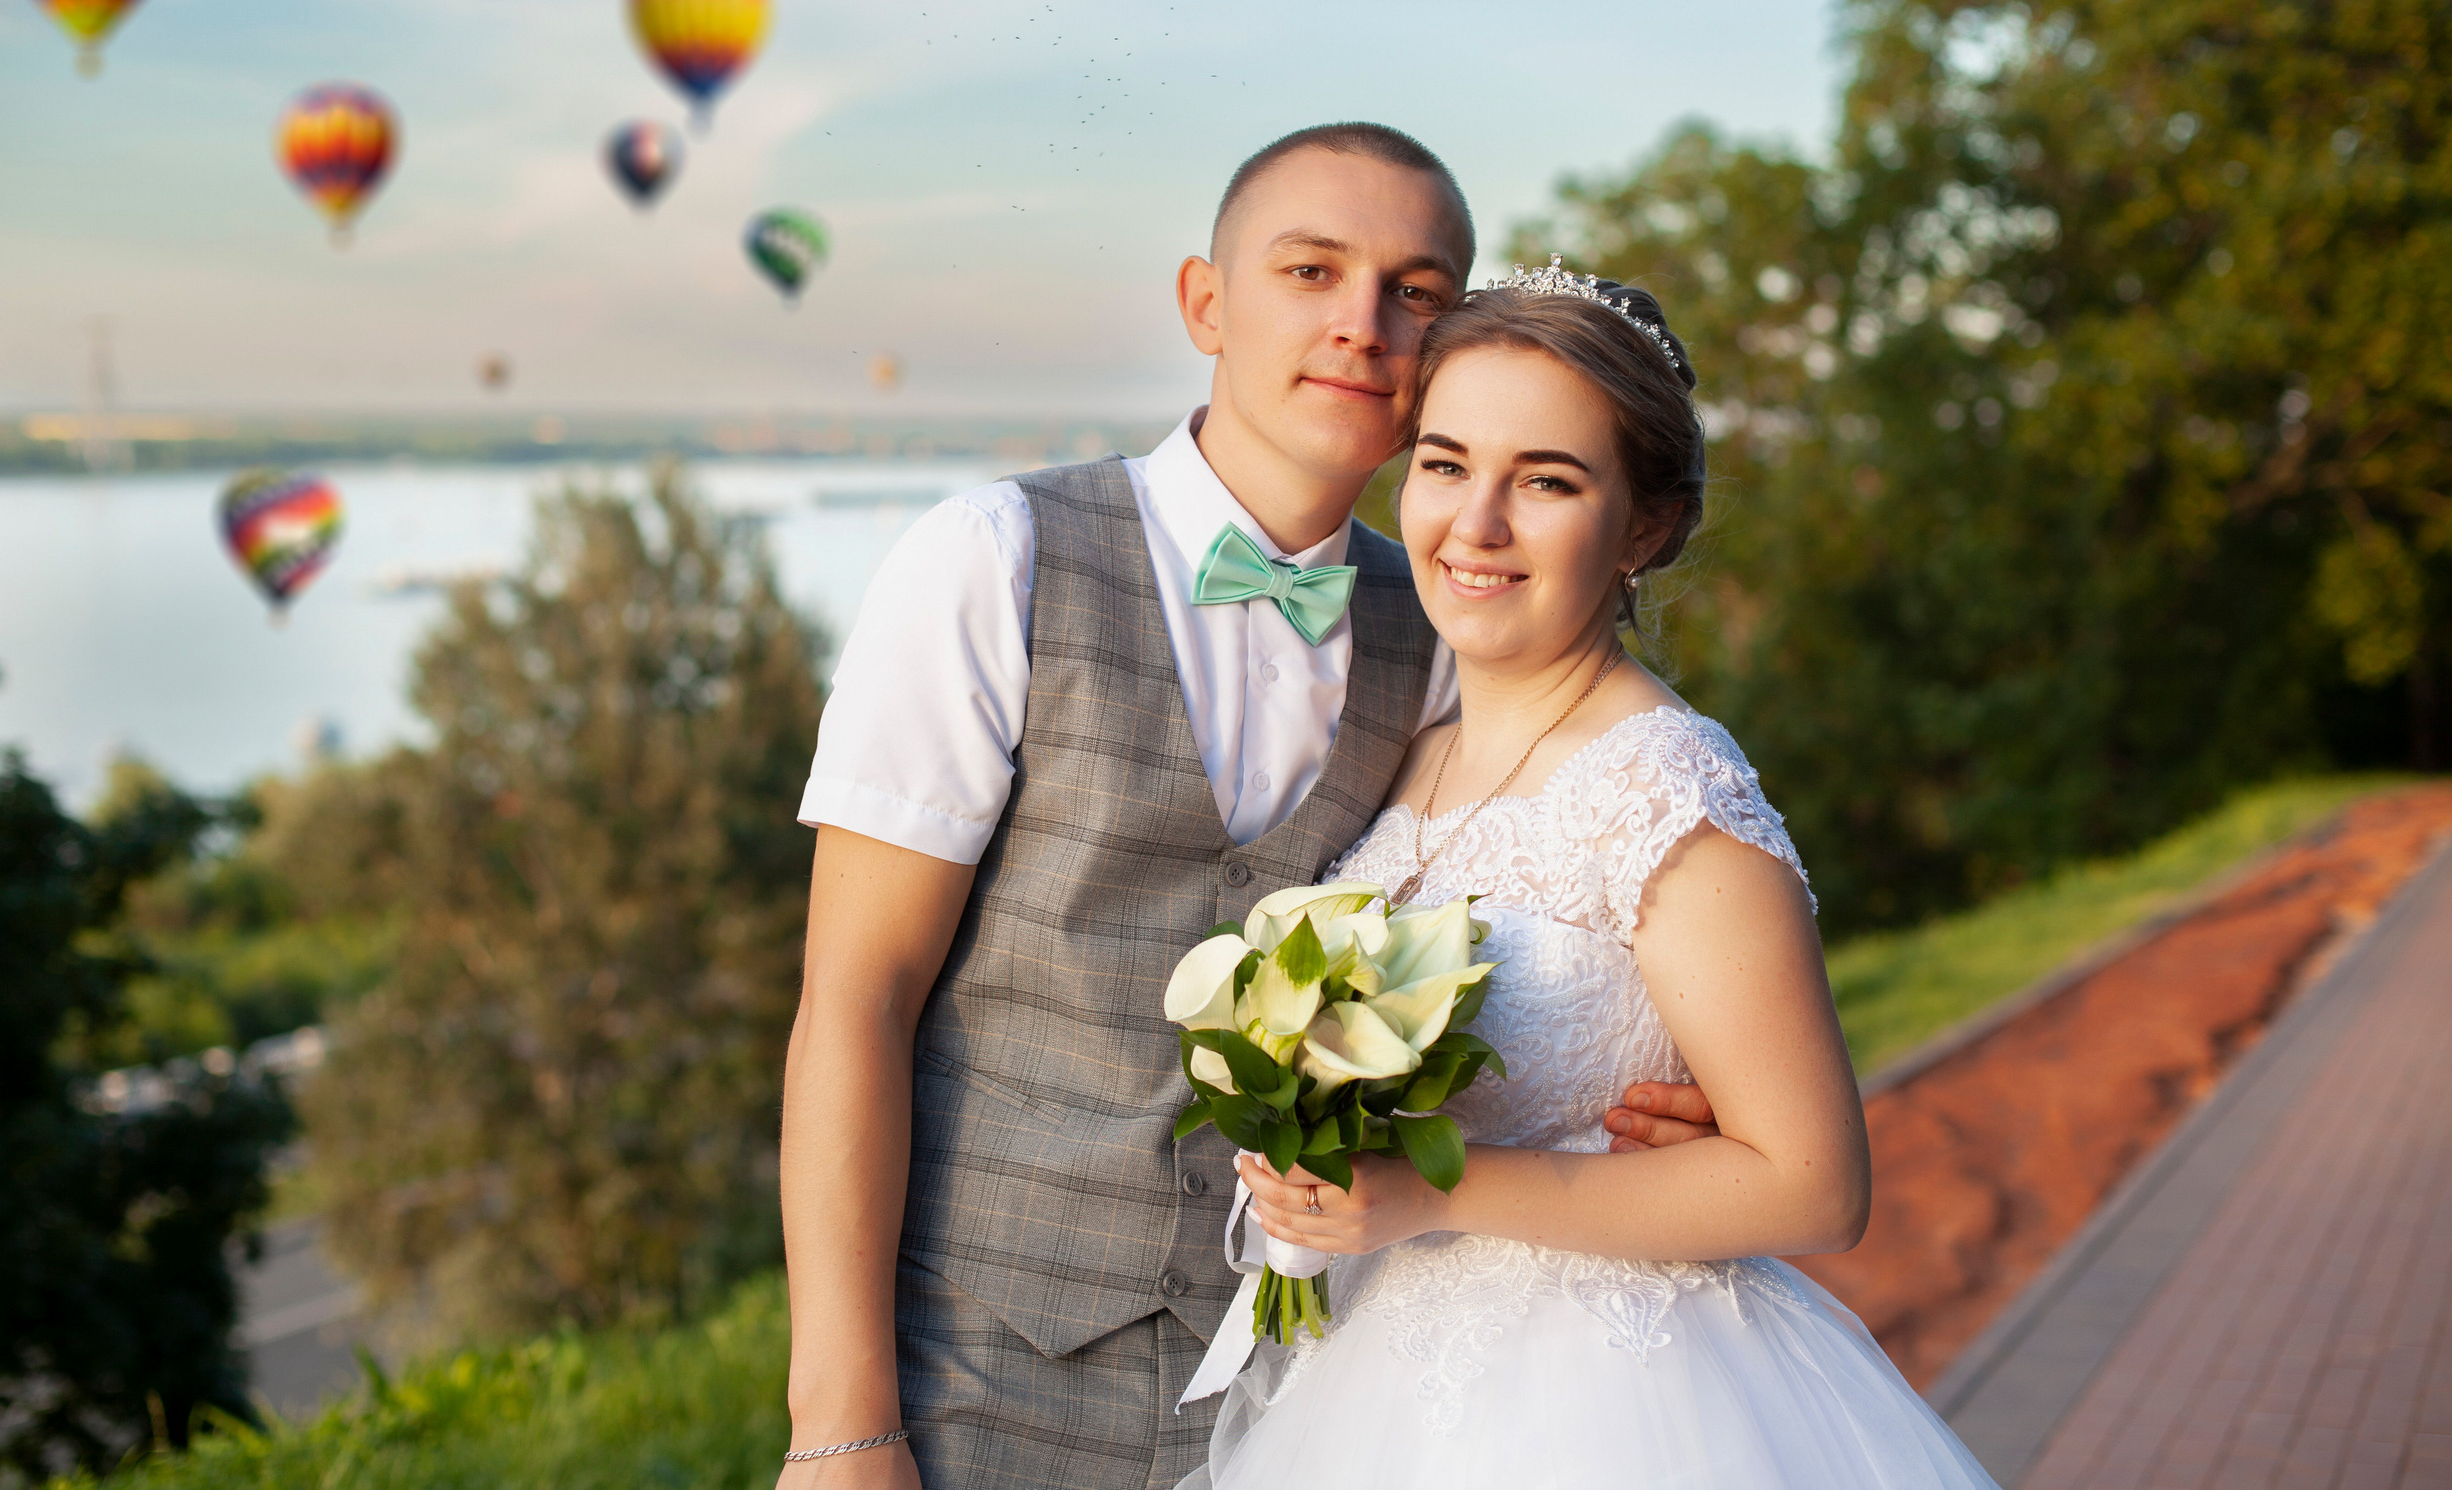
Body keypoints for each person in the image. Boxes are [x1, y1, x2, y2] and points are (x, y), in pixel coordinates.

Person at [778, 125, 1720, 1490]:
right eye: (1311, 269)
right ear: (1205, 304)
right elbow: (853, 999)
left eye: (1415, 289)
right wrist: (842, 1422)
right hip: (972, 1379)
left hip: (1317, 1387)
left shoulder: (1456, 617)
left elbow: (1574, 869)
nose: (1361, 324)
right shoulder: (992, 559)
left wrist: (1637, 1097)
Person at [1188, 267, 1998, 1486]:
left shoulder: (1667, 793)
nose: (1474, 524)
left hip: (1615, 1406)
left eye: (1548, 481)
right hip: (1381, 1389)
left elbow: (1817, 1185)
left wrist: (1428, 1197)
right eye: (1446, 463)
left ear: (1645, 526)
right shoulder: (1415, 752)